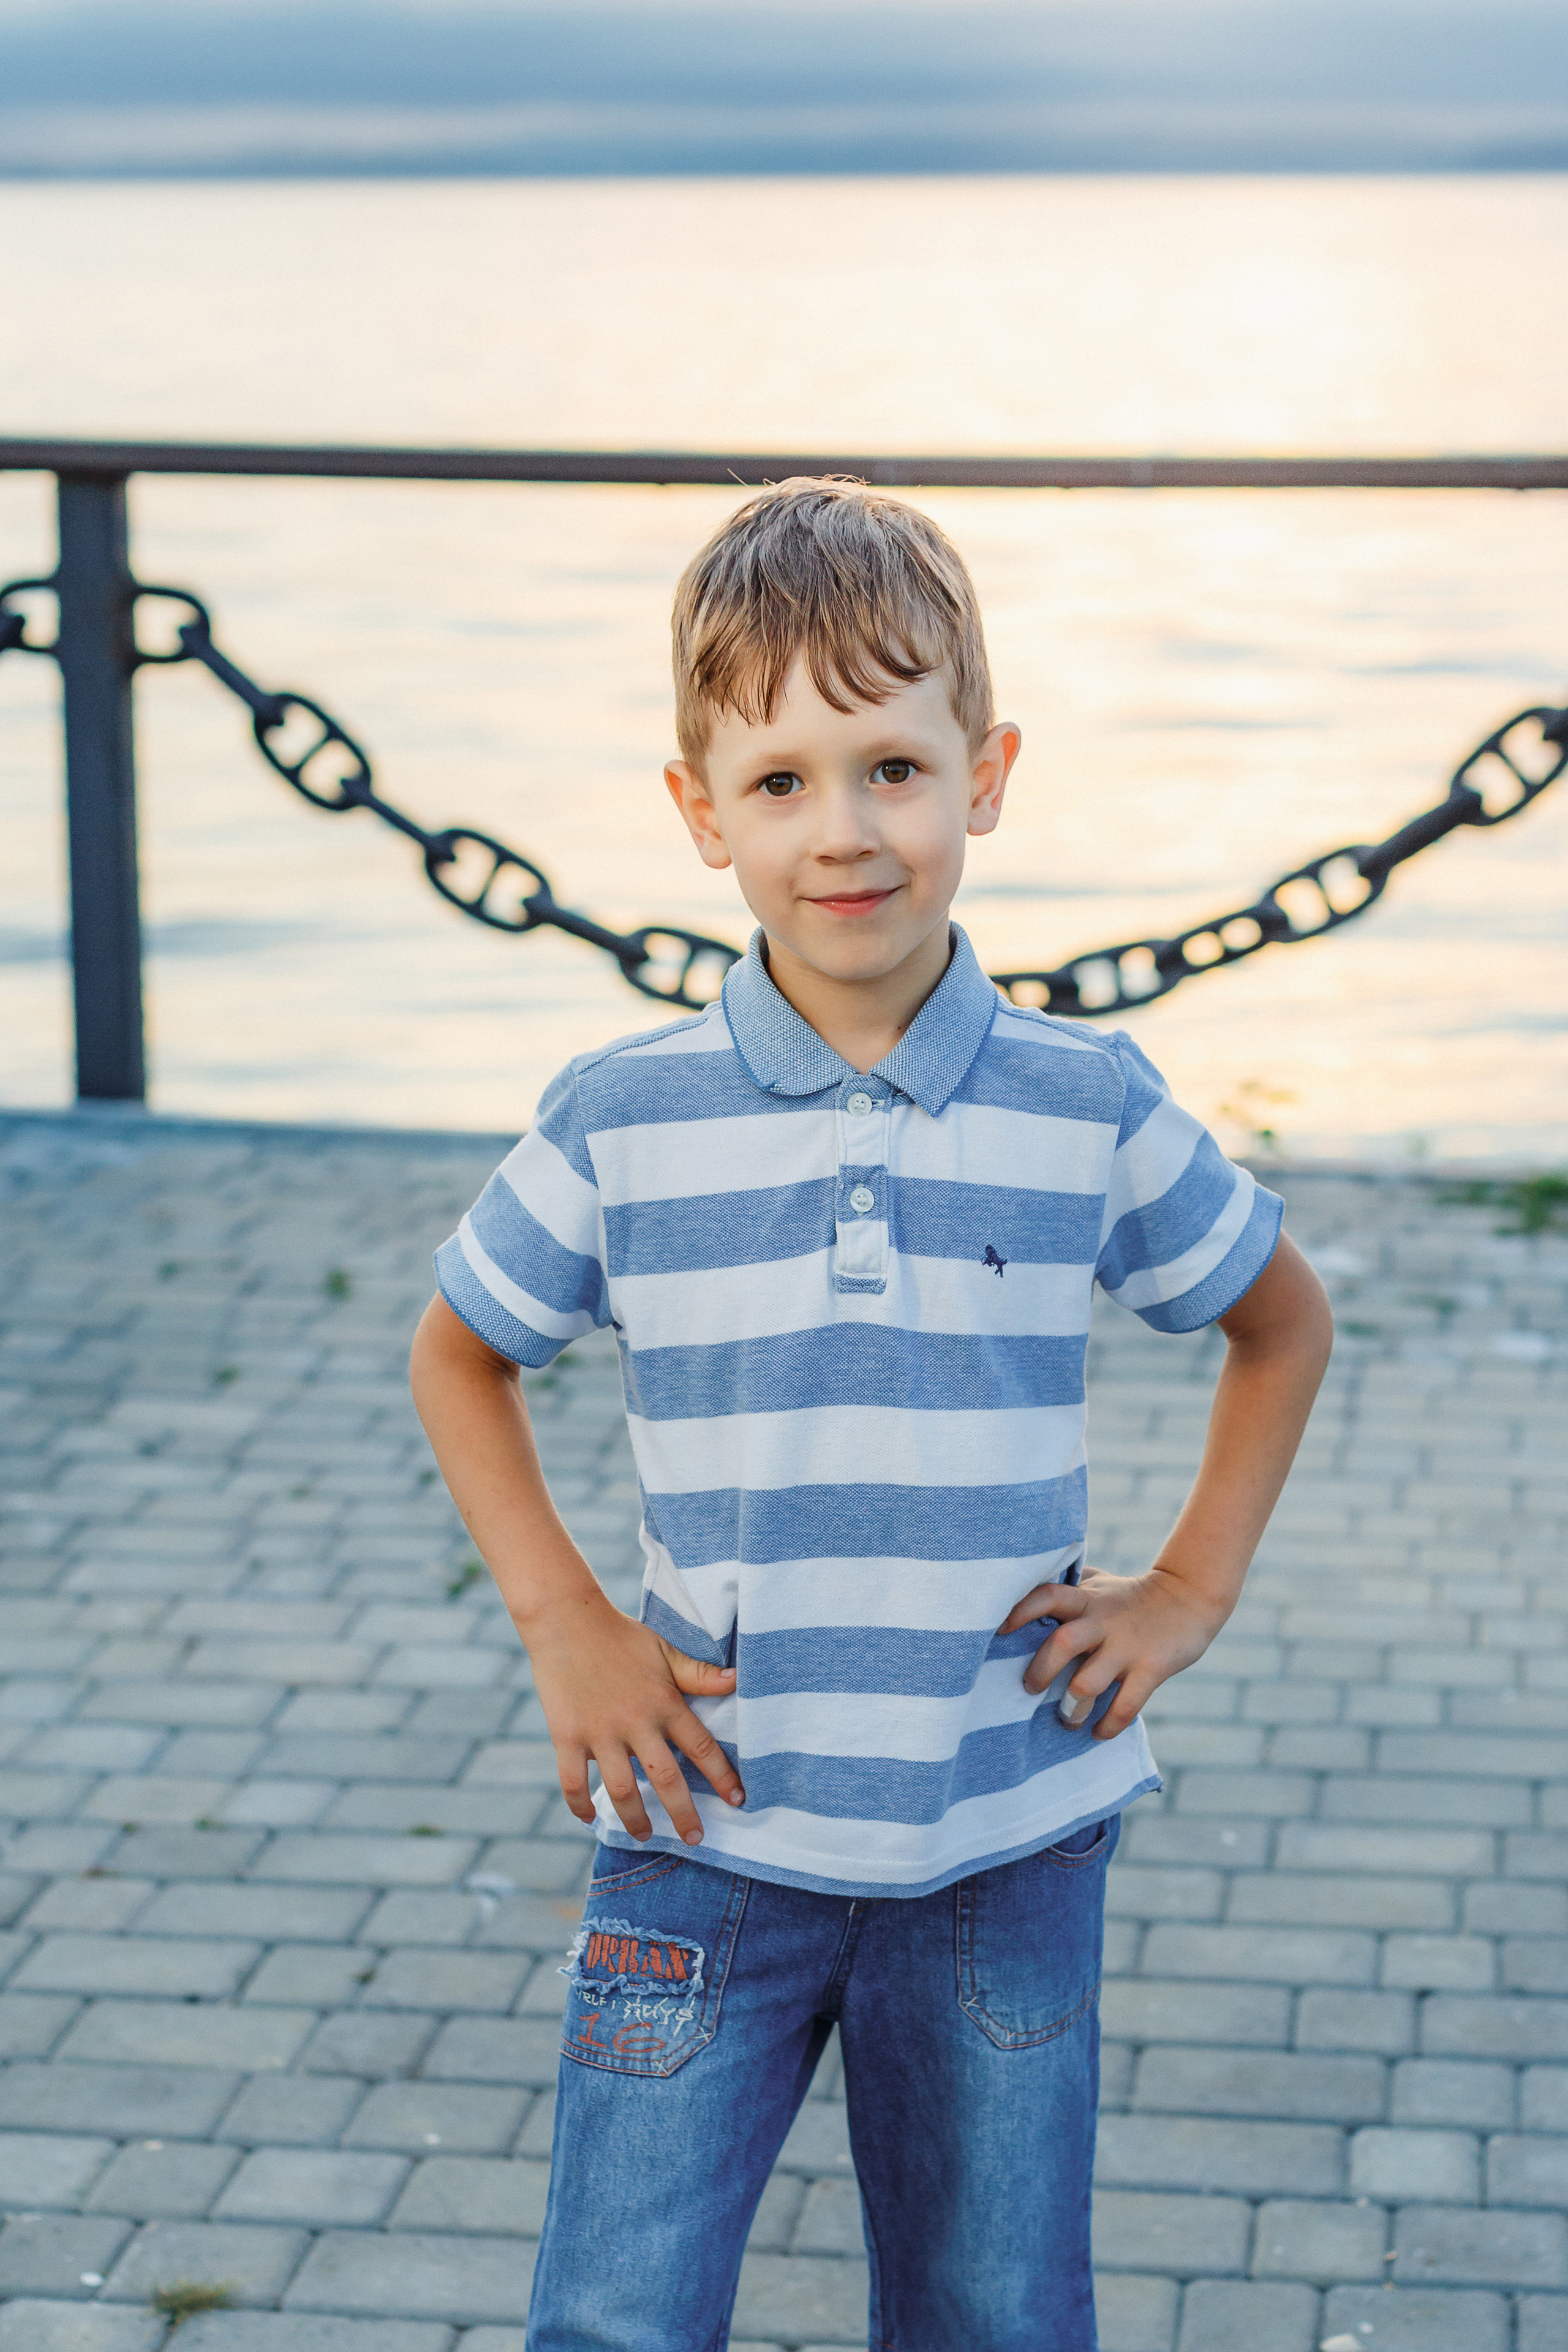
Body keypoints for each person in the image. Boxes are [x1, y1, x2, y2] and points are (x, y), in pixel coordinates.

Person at [409, 477, 1333, 2351]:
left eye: (894, 770)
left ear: (983, 775)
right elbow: (460, 1349)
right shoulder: (624, 1114)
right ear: (699, 812)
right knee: (614, 2315)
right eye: (781, 782)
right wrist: (568, 1625)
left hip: (1001, 1839)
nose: (845, 832)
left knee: (996, 2316)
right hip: (702, 1833)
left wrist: (1187, 1594)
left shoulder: (1086, 1102)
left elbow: (1281, 1320)